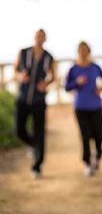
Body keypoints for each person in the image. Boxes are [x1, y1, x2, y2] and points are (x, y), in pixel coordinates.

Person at [14, 29, 55, 178]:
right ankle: (33, 145)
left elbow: (53, 76)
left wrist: (46, 83)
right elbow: (15, 69)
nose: (39, 39)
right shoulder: (23, 52)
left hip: (39, 100)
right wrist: (20, 75)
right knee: (18, 130)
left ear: (45, 39)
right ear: (34, 37)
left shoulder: (49, 57)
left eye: (42, 37)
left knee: (40, 132)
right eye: (37, 36)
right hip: (23, 98)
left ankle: (37, 166)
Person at [65, 41, 102, 176]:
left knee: (100, 133)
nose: (83, 52)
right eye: (81, 50)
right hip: (80, 107)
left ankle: (97, 154)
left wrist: (100, 88)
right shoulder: (73, 69)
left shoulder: (95, 67)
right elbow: (66, 87)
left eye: (85, 50)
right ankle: (88, 163)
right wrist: (76, 82)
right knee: (85, 135)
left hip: (95, 105)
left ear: (88, 51)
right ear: (78, 52)